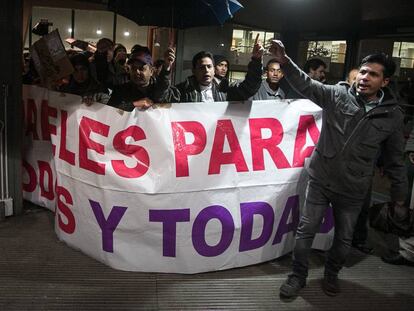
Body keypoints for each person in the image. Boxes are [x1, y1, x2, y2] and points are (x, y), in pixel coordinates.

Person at [268, 40, 408, 298]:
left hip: (354, 189)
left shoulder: (393, 116)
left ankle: (331, 275)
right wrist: (285, 61)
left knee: (343, 239)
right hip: (320, 180)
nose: (364, 78)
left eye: (373, 74)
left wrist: (400, 198)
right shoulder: (337, 94)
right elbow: (306, 84)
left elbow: (395, 161)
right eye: (363, 71)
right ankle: (298, 276)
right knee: (305, 231)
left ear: (385, 82)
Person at [175, 43, 263, 102]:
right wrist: (166, 69)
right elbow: (163, 97)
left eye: (209, 67)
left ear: (213, 70)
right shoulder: (182, 91)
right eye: (202, 67)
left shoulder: (225, 90)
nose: (206, 70)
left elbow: (250, 88)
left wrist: (256, 60)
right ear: (194, 71)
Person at [107, 45, 178, 111]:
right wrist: (134, 104)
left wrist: (166, 68)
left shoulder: (163, 90)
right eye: (133, 68)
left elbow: (162, 92)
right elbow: (110, 112)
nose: (137, 72)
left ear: (151, 71)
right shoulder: (121, 90)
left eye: (141, 68)